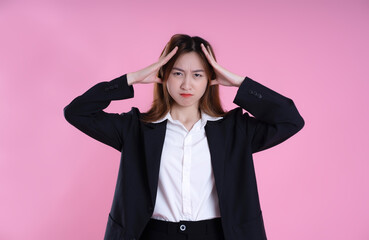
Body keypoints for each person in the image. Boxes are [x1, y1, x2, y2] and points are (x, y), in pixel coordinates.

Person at [64, 34, 304, 240]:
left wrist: (239, 83)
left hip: (218, 234)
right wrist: (132, 79)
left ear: (210, 79)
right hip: (152, 233)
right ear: (165, 75)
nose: (187, 84)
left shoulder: (234, 130)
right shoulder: (136, 128)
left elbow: (291, 120)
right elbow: (76, 112)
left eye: (198, 75)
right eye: (178, 73)